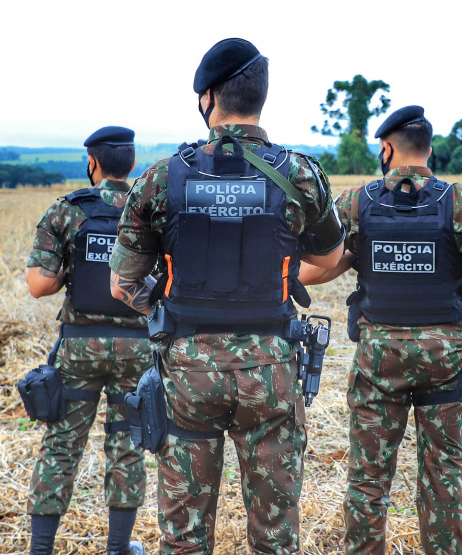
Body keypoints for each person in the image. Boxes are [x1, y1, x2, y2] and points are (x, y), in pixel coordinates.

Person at [108, 38, 344, 554]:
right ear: (261, 98)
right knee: (275, 533)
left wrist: (165, 307)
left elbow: (122, 283)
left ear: (207, 98)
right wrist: (277, 283)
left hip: (187, 372)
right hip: (273, 370)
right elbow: (329, 258)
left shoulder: (160, 178)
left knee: (184, 537)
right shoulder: (300, 173)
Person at [298, 105, 462, 555]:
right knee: (443, 478)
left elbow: (310, 272)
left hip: (378, 361)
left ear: (387, 149)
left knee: (368, 480)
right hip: (445, 360)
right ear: (429, 150)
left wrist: (355, 256)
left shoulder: (356, 201)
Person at [25, 126, 150, 555]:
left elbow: (38, 286)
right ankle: (119, 547)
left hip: (79, 348)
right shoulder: (151, 209)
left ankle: (40, 549)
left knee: (61, 446)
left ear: (92, 164)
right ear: (132, 164)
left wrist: (64, 274)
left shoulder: (68, 211)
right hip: (137, 350)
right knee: (127, 444)